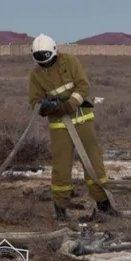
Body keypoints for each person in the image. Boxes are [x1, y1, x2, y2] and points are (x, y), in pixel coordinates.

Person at [27, 33, 118, 222]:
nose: (44, 64)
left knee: (93, 164)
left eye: (47, 60)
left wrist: (67, 105)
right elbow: (34, 101)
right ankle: (60, 209)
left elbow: (83, 86)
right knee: (61, 167)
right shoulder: (35, 75)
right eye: (41, 62)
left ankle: (104, 205)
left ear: (54, 52)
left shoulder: (70, 62)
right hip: (59, 125)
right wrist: (45, 107)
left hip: (82, 119)